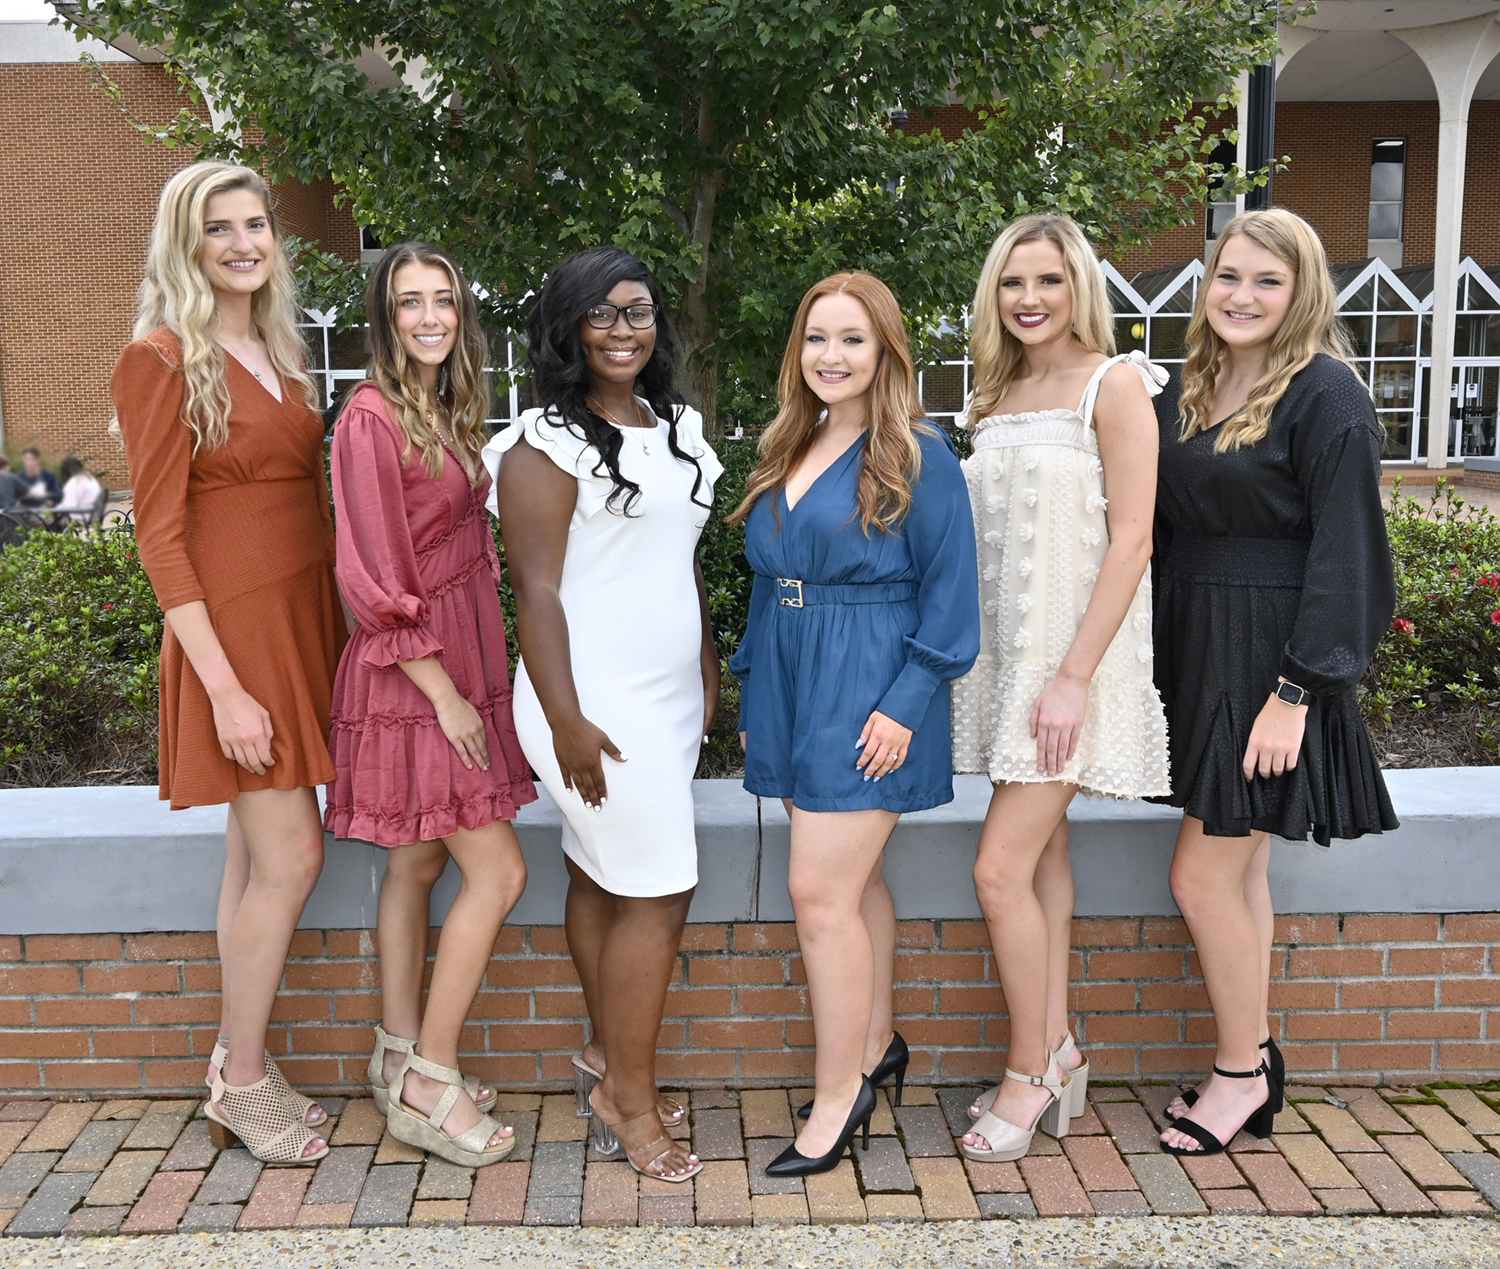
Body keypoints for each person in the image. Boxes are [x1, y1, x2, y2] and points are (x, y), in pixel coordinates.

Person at [112, 160, 346, 1165]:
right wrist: (224, 688)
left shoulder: (277, 351)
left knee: (254, 859)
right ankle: (242, 1081)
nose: (247, 242)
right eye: (222, 229)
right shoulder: (161, 358)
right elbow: (160, 537)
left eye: (257, 225)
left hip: (304, 620)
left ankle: (231, 1061)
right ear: (187, 244)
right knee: (293, 856)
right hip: (235, 641)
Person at [1153, 208, 1397, 1157]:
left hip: (1270, 663)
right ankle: (1250, 1060)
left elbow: (1352, 556)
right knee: (1240, 873)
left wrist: (1297, 691)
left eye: (1266, 281)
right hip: (1200, 642)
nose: (1242, 297)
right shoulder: (1192, 383)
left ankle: (1241, 1072)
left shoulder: (1327, 392)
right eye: (1228, 277)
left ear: (1302, 292)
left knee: (1201, 873)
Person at [729, 273, 979, 1177]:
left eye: (853, 340)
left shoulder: (919, 452)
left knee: (819, 894)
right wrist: (756, 691)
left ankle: (840, 1099)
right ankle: (874, 1047)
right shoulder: (792, 440)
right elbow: (768, 588)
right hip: (793, 684)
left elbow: (953, 603)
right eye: (816, 339)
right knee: (857, 881)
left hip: (872, 688)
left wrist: (906, 705)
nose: (831, 357)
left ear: (887, 352)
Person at [486, 246, 722, 1183]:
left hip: (663, 699)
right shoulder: (543, 443)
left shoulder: (679, 428)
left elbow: (683, 562)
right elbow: (534, 592)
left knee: (603, 873)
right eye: (603, 314)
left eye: (640, 312)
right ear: (567, 326)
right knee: (661, 892)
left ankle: (604, 1056)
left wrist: (703, 661)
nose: (624, 330)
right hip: (587, 701)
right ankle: (629, 1097)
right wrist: (566, 717)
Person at [948, 215, 1169, 1163]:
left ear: (1079, 284)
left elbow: (1134, 539)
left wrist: (1073, 676)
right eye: (1011, 283)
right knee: (1039, 863)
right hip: (1009, 663)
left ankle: (1029, 1071)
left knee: (997, 869)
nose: (1029, 299)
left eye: (1046, 280)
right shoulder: (996, 394)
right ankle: (1063, 1044)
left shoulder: (1116, 386)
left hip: (1074, 665)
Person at [325, 243, 534, 1167]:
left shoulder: (442, 406)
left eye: (442, 299)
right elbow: (370, 576)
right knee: (498, 874)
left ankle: (398, 1050)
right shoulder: (369, 418)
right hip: (418, 675)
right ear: (384, 316)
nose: (429, 317)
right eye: (409, 302)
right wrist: (447, 695)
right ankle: (431, 1076)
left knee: (414, 866)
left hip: (457, 652)